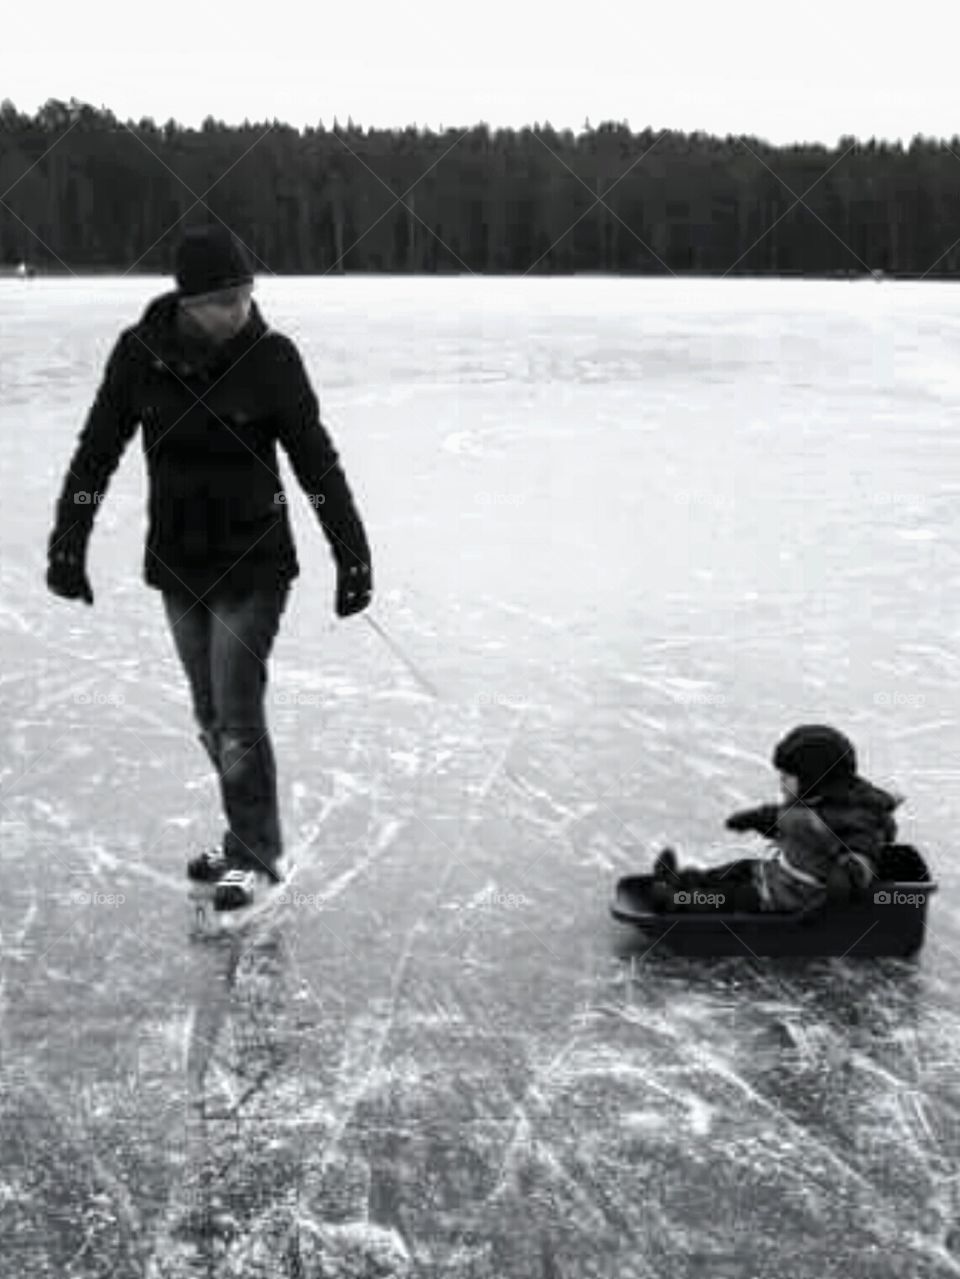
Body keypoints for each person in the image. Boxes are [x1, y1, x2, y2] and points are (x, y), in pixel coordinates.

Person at [45, 225, 372, 910]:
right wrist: (69, 534)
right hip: (178, 563)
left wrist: (351, 551)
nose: (239, 311)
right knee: (209, 714)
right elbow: (96, 451)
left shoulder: (272, 359)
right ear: (188, 302)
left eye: (246, 296)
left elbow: (316, 461)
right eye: (223, 300)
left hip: (255, 565)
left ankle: (255, 853)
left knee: (237, 709)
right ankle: (242, 831)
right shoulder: (139, 356)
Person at [651, 724, 901, 913]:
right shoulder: (815, 802)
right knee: (739, 869)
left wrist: (846, 876)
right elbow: (788, 822)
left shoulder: (852, 817)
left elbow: (862, 851)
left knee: (732, 896)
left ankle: (679, 901)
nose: (781, 782)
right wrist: (758, 818)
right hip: (779, 875)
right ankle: (681, 882)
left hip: (798, 895)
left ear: (815, 779)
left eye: (788, 776)